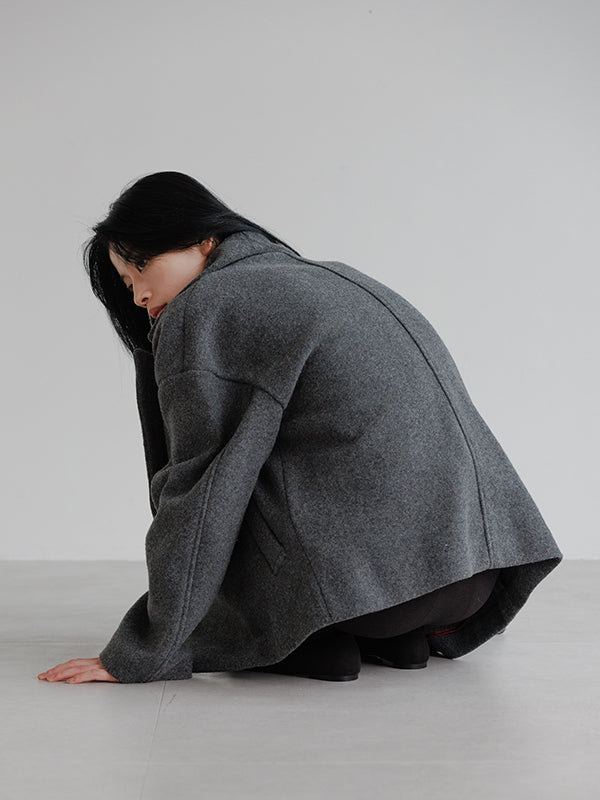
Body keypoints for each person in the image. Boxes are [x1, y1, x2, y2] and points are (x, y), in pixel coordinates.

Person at [38, 171, 562, 686]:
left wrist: (144, 650)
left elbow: (200, 492)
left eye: (142, 267)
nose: (138, 295)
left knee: (229, 472)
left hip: (368, 596)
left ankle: (315, 637)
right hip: (471, 578)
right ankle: (390, 639)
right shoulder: (337, 277)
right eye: (126, 283)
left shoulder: (208, 307)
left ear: (203, 240)